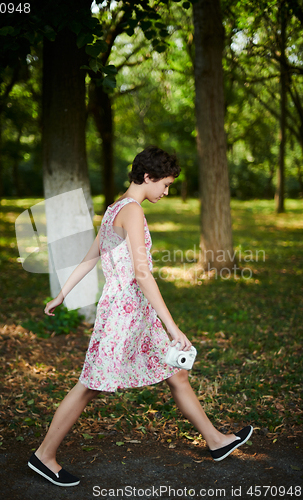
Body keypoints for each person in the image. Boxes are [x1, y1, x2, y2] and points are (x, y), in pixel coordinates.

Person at [27, 146, 253, 487]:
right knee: (90, 385)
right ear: (147, 177)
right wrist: (173, 327)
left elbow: (91, 258)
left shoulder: (114, 208)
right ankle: (44, 456)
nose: (166, 191)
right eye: (164, 184)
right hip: (124, 313)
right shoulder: (131, 211)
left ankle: (216, 440)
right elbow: (142, 274)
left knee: (175, 374)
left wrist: (62, 293)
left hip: (134, 312)